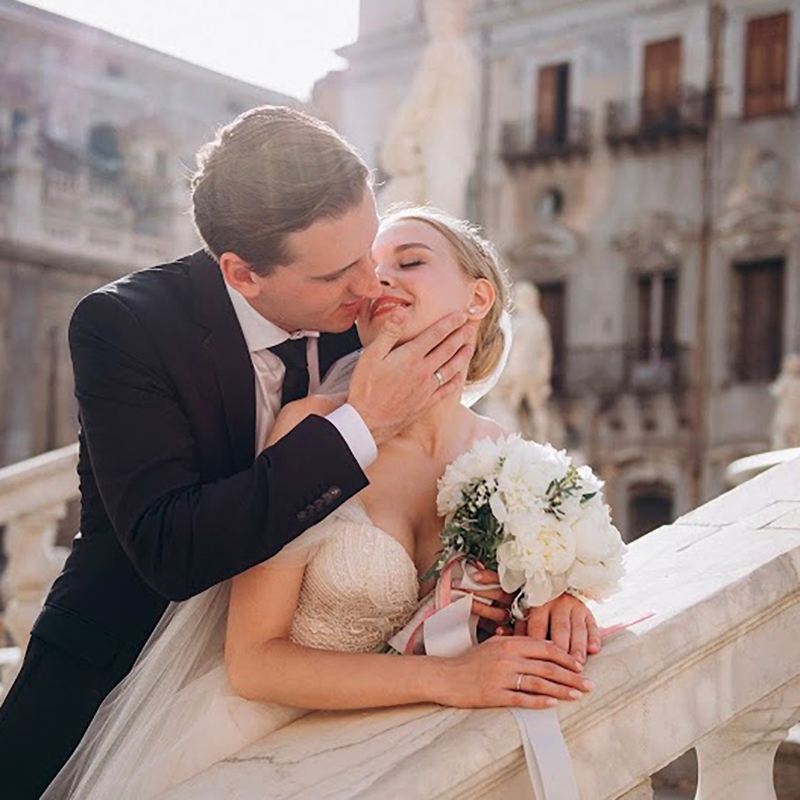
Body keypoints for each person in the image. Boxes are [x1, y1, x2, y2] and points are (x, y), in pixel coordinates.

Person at [0, 107, 478, 799]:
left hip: (309, 692)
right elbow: (172, 549)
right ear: (242, 273)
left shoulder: (364, 316)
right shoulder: (125, 328)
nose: (371, 288)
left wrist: (536, 580)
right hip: (114, 677)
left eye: (370, 252)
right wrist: (361, 422)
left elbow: (445, 455)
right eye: (340, 273)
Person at [44, 206, 601, 799]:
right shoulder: (312, 429)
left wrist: (558, 593)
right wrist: (449, 679)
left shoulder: (510, 457)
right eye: (369, 268)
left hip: (404, 752)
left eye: (409, 261)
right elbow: (254, 662)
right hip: (263, 746)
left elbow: (511, 592)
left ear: (478, 297)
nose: (378, 280)